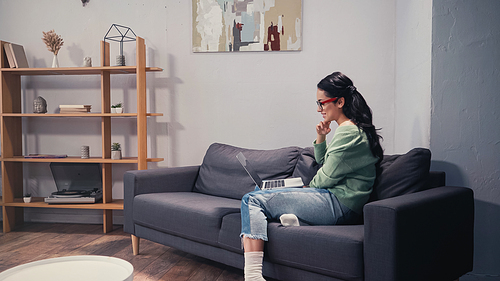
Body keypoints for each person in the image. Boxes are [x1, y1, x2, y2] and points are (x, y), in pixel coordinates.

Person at [240, 72, 384, 281]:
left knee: (251, 199)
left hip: (338, 204)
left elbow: (323, 177)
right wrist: (321, 137)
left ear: (340, 101)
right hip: (342, 203)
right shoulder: (353, 129)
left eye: (321, 103)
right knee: (260, 191)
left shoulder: (348, 133)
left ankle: (253, 277)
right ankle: (300, 221)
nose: (319, 109)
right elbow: (326, 163)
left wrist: (305, 189)